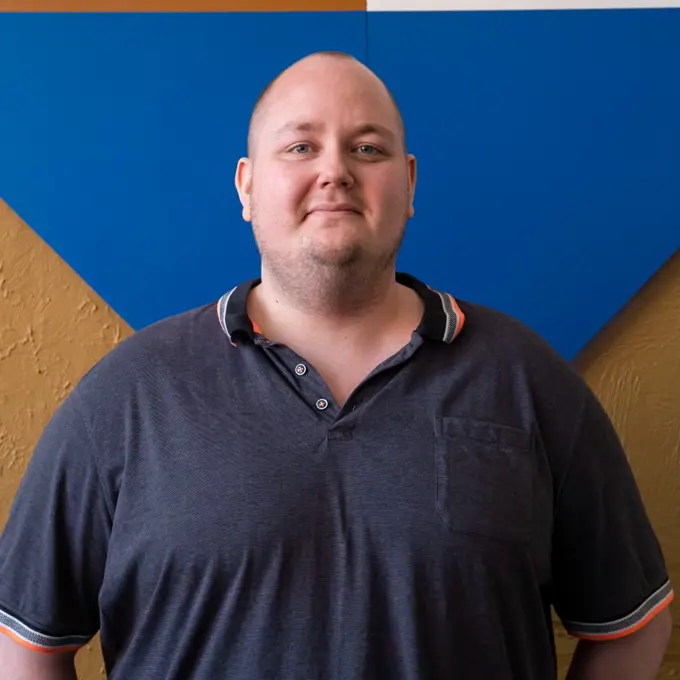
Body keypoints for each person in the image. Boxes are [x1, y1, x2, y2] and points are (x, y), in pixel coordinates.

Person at [0, 50, 673, 680]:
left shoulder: (528, 381)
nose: (335, 171)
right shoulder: (127, 396)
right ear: (248, 185)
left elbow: (632, 625)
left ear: (407, 184)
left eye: (367, 148)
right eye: (301, 146)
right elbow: (23, 642)